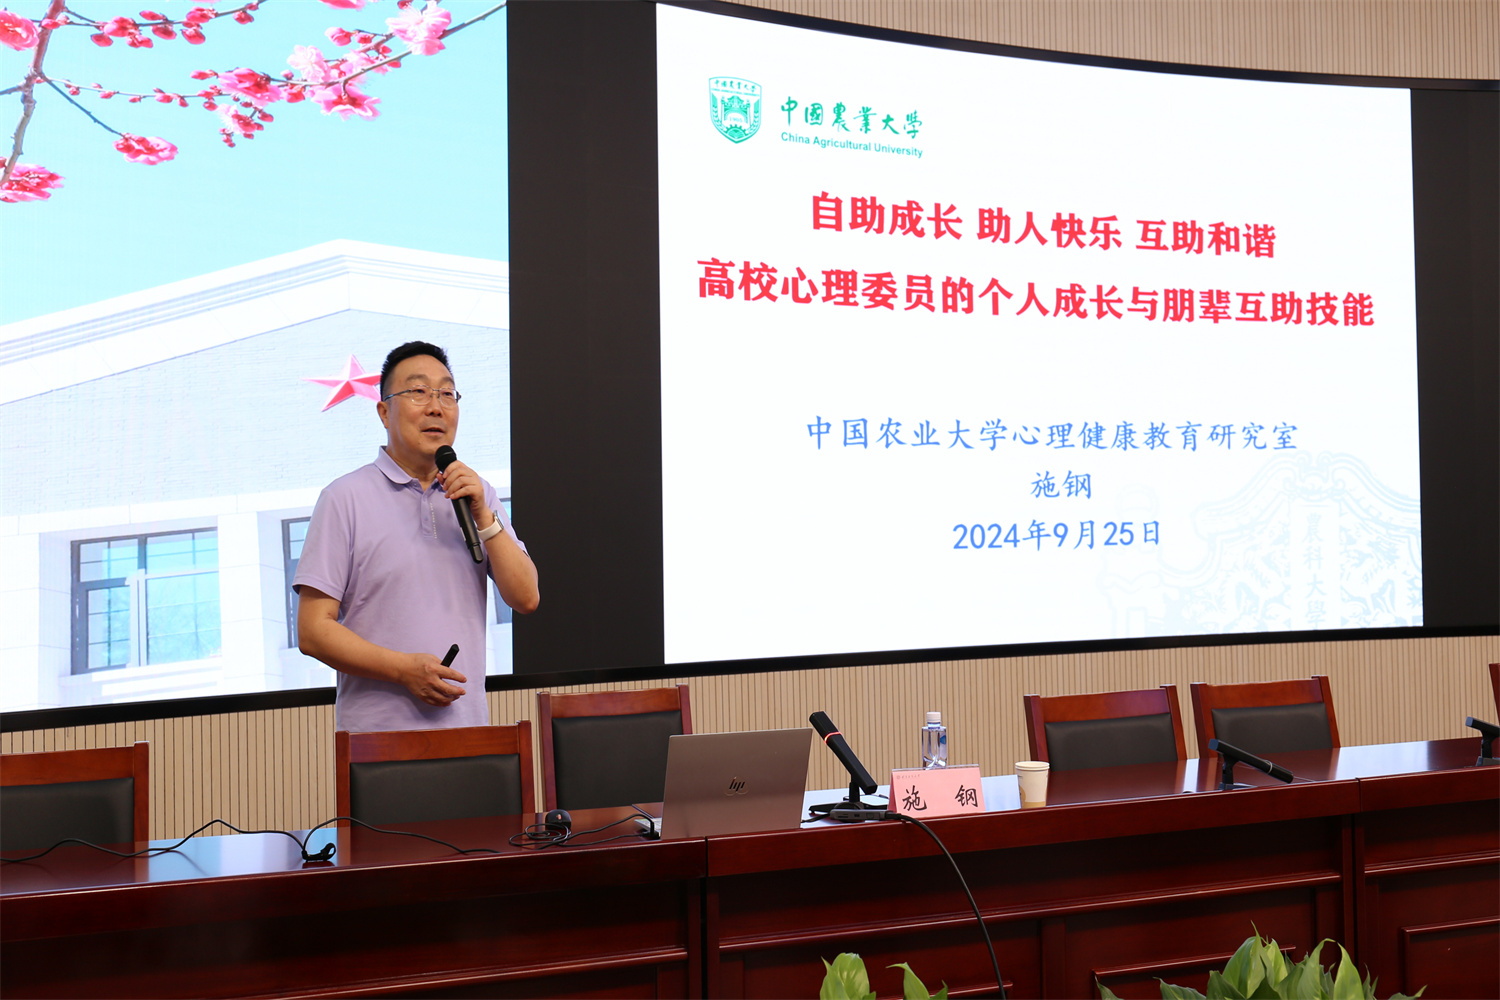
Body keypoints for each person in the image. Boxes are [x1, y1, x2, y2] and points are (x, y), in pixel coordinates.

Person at [294, 341, 539, 731]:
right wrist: (402, 669)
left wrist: (483, 516)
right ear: (384, 412)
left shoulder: (478, 495)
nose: (436, 407)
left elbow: (526, 597)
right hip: (377, 743)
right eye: (419, 391)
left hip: (469, 735)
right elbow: (312, 631)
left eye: (447, 394)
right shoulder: (343, 498)